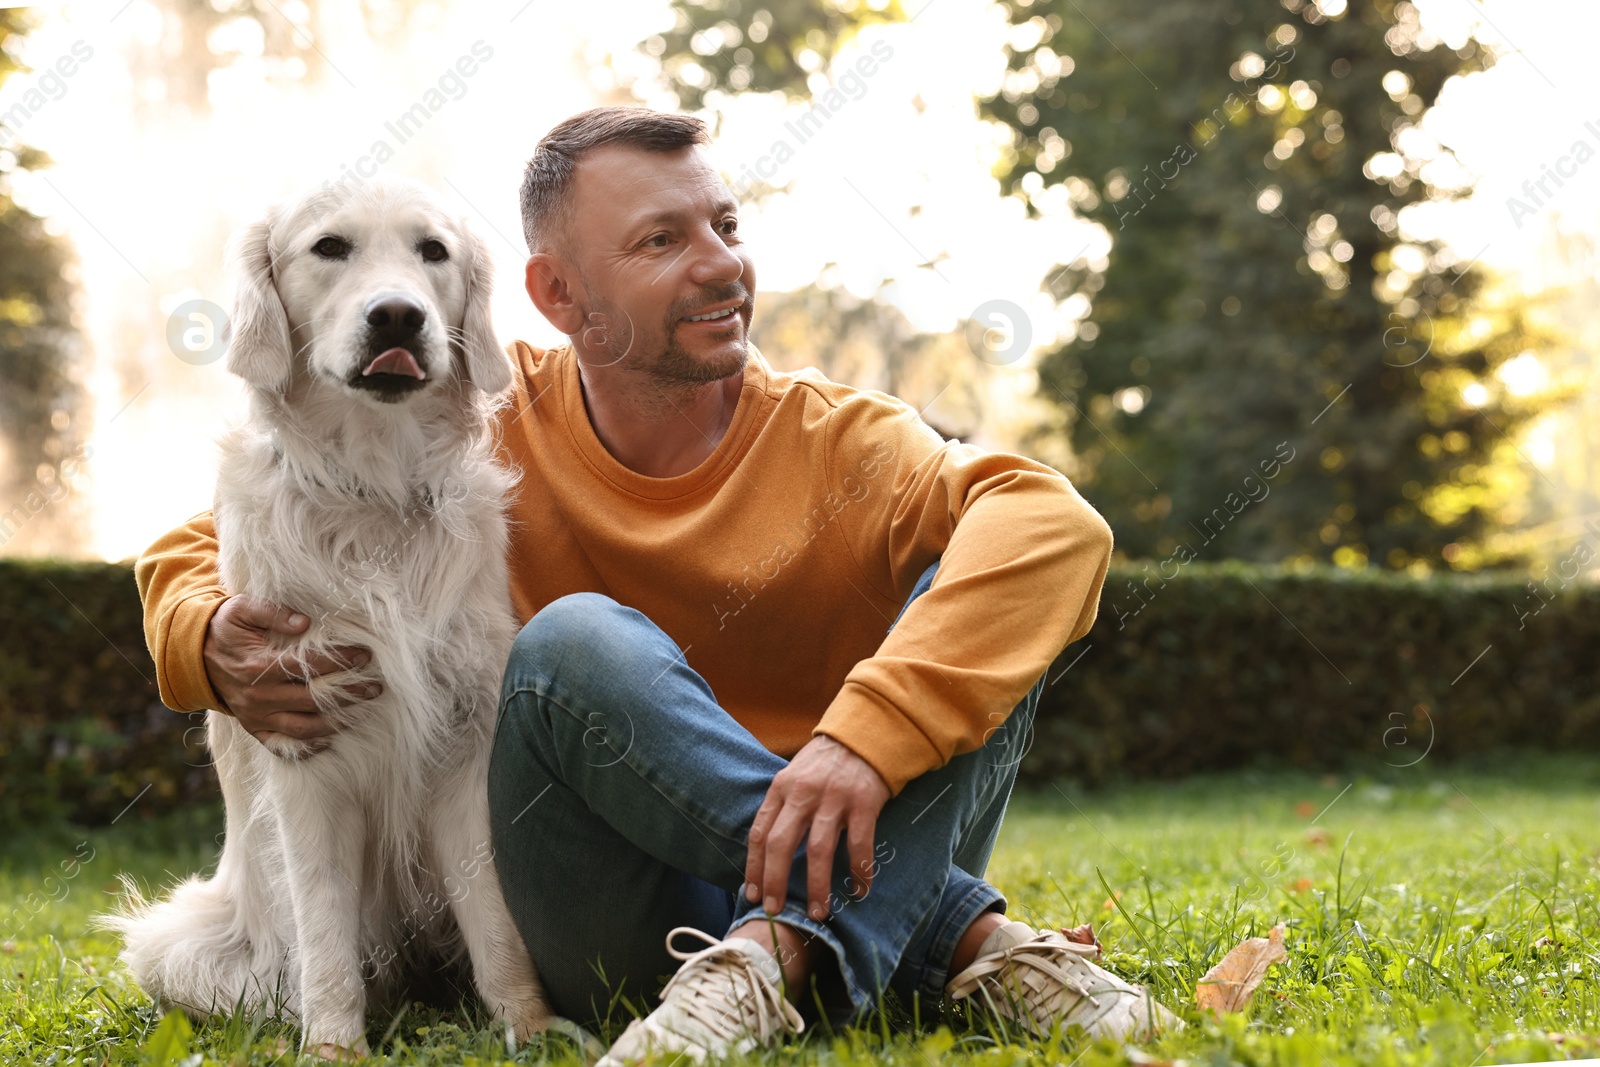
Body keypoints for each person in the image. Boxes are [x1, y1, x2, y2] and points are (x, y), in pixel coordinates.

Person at [135, 106, 1179, 1063]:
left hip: (827, 875)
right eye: (661, 241)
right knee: (573, 643)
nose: (720, 266)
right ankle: (962, 938)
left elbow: (1053, 526)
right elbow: (220, 529)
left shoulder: (844, 440)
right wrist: (206, 634)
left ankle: (770, 961)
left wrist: (864, 735)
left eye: (725, 225)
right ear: (558, 296)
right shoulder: (474, 429)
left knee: (980, 603)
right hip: (626, 912)